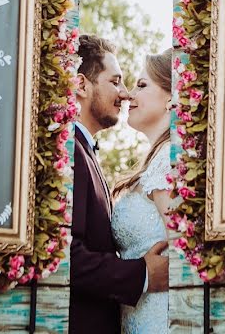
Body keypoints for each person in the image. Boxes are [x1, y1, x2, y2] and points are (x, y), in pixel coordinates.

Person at [69, 35, 169, 334]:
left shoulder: (84, 152)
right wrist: (142, 274)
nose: (125, 94)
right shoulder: (72, 150)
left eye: (138, 84)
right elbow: (65, 255)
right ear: (82, 85)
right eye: (116, 81)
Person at [111, 48, 177, 333]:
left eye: (142, 85)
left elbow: (183, 249)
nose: (129, 95)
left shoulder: (168, 158)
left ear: (172, 97)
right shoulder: (157, 159)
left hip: (161, 318)